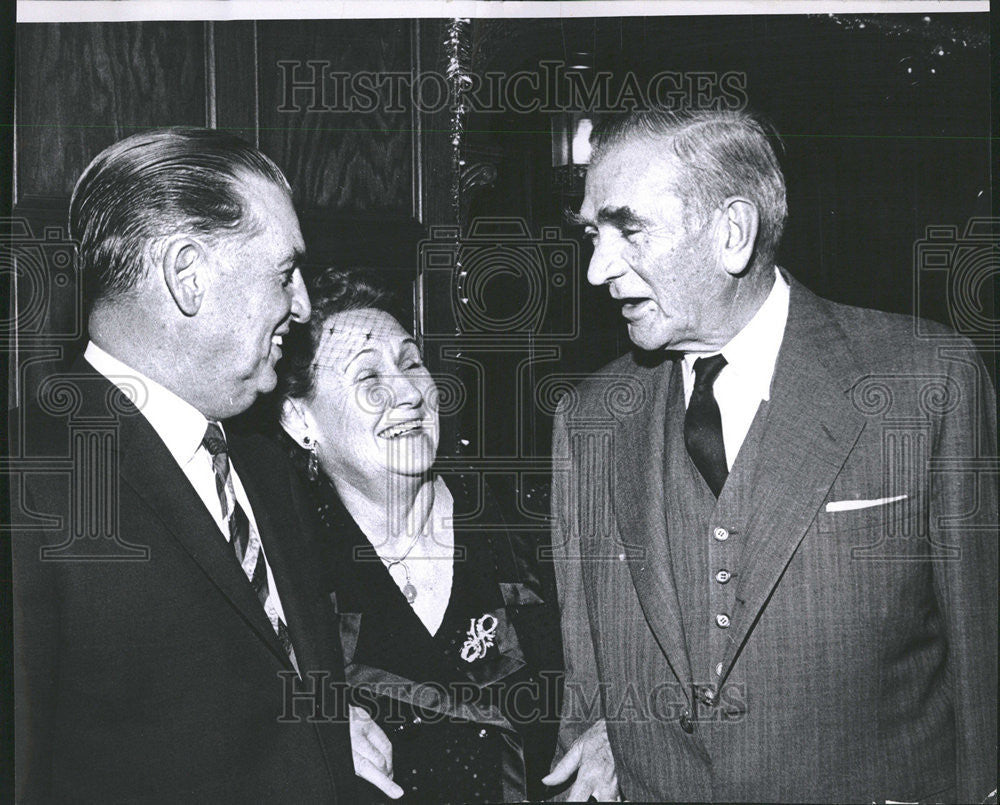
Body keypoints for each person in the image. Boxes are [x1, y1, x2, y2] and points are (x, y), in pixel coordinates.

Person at [546, 109, 997, 803]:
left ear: (732, 233)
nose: (598, 268)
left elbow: (986, 671)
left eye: (628, 229)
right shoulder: (590, 421)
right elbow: (586, 700)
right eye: (591, 234)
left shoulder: (924, 383)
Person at [10, 128, 356, 801]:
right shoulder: (30, 482)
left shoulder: (264, 460)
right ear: (188, 274)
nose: (306, 304)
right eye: (286, 272)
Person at [277, 268, 563, 804]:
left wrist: (611, 737)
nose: (408, 393)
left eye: (411, 363)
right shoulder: (285, 571)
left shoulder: (527, 529)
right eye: (369, 380)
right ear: (299, 420)